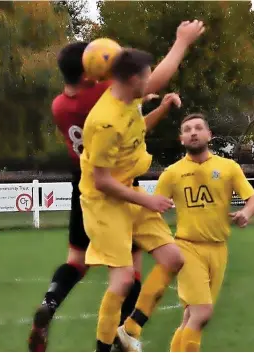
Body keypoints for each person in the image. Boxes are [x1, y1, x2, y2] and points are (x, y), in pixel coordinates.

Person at [79, 21, 205, 352]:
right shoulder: (104, 122)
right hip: (105, 203)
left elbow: (140, 119)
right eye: (146, 77)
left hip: (129, 194)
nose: (151, 82)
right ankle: (103, 348)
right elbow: (101, 181)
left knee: (174, 260)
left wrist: (181, 42)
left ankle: (129, 330)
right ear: (133, 80)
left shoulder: (128, 99)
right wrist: (146, 201)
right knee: (121, 281)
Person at [28, 41, 149, 352]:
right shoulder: (100, 96)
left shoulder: (59, 106)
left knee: (76, 260)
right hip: (114, 182)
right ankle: (121, 336)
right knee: (131, 268)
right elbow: (135, 87)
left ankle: (49, 303)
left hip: (80, 183)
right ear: (88, 71)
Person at [153, 113, 254, 352]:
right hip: (187, 247)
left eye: (198, 128)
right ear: (181, 138)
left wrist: (246, 213)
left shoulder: (228, 167)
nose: (193, 132)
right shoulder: (172, 173)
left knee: (193, 316)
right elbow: (152, 212)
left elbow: (253, 199)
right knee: (202, 312)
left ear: (209, 135)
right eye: (188, 129)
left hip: (219, 249)